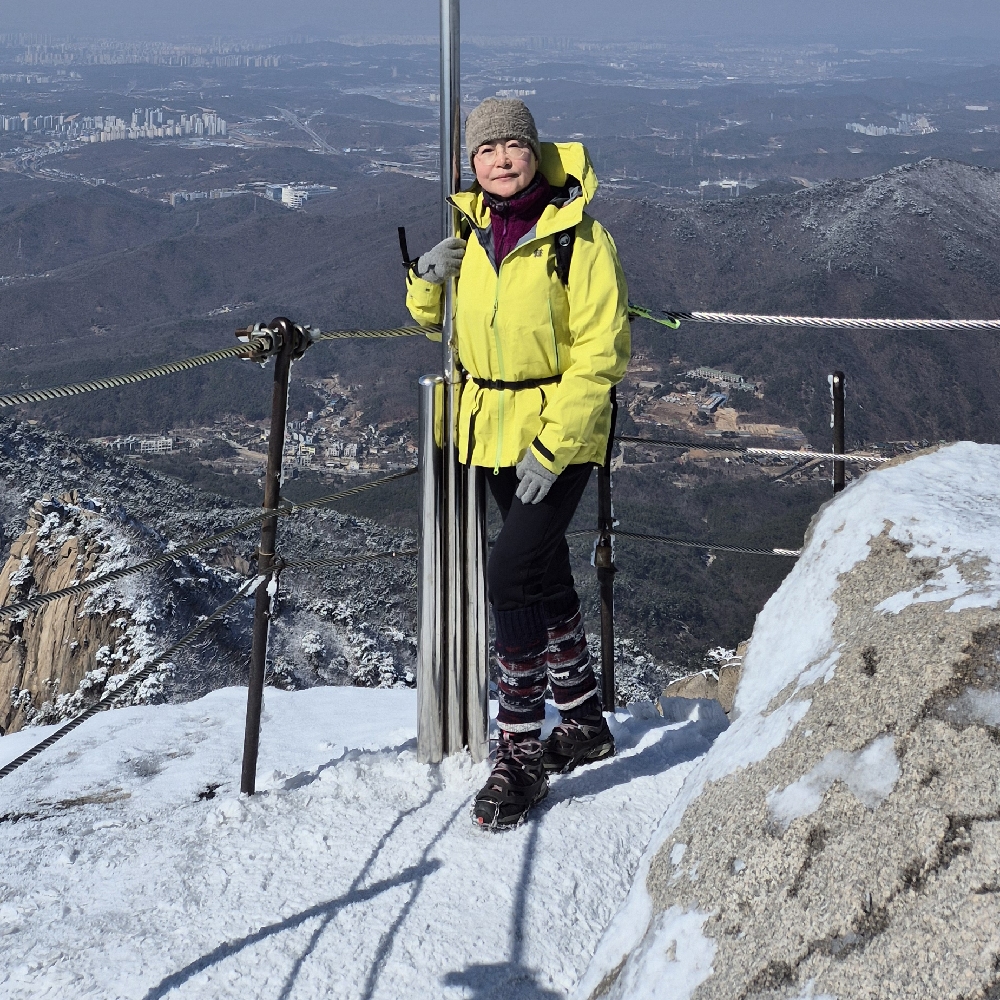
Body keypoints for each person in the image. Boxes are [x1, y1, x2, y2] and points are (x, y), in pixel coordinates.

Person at [405, 98, 631, 830]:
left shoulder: (579, 239)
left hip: (554, 433)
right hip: (490, 429)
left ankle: (520, 753)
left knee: (507, 576)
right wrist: (425, 278)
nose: (501, 160)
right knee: (540, 571)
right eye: (486, 150)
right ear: (470, 164)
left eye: (513, 146)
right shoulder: (471, 232)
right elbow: (439, 327)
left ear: (537, 151)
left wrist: (553, 446)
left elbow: (601, 357)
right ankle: (584, 721)